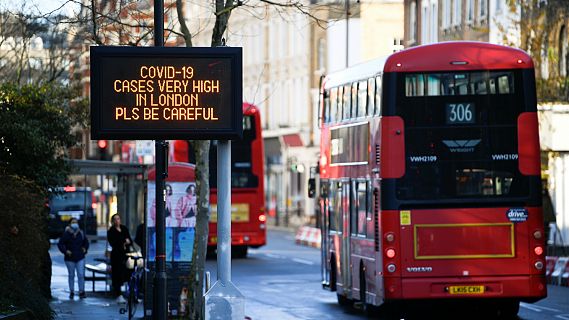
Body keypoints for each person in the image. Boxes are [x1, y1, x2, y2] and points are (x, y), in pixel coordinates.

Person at [57, 218, 89, 299]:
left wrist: (85, 248)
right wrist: (65, 251)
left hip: (80, 257)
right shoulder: (66, 234)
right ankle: (72, 291)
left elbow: (86, 242)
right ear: (69, 224)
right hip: (70, 258)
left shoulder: (81, 233)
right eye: (73, 222)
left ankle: (81, 291)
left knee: (81, 274)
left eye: (76, 222)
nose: (75, 223)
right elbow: (60, 244)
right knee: (71, 275)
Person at [107, 214, 133, 303]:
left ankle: (130, 293)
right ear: (113, 221)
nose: (117, 221)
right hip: (116, 256)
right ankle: (118, 294)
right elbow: (113, 242)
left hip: (125, 255)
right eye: (115, 219)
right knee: (117, 274)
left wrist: (125, 242)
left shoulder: (124, 228)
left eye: (118, 219)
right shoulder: (111, 231)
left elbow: (130, 241)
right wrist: (123, 241)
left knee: (128, 273)